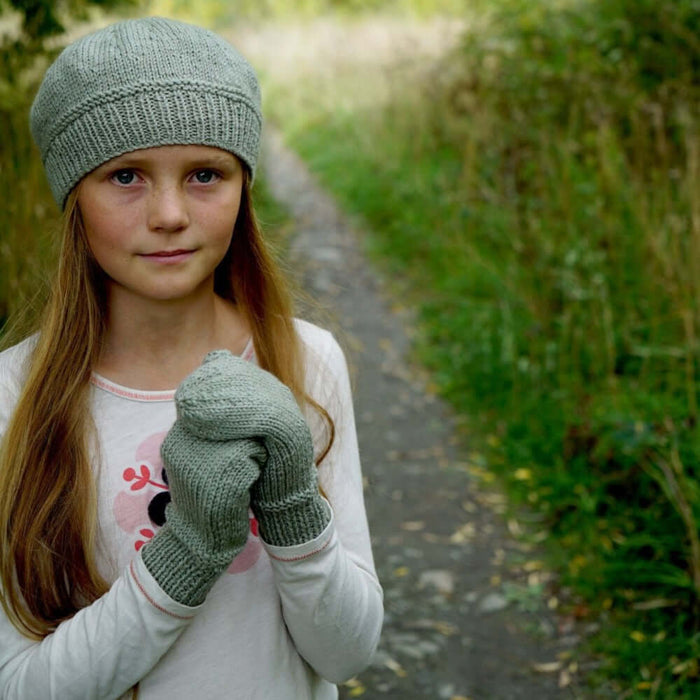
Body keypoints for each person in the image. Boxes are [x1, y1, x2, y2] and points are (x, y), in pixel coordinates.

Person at [0, 16, 383, 699]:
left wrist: (293, 503)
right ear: (73, 198)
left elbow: (348, 651)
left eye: (205, 173)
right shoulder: (12, 395)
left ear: (244, 187)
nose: (170, 212)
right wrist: (183, 555)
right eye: (126, 177)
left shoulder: (304, 362)